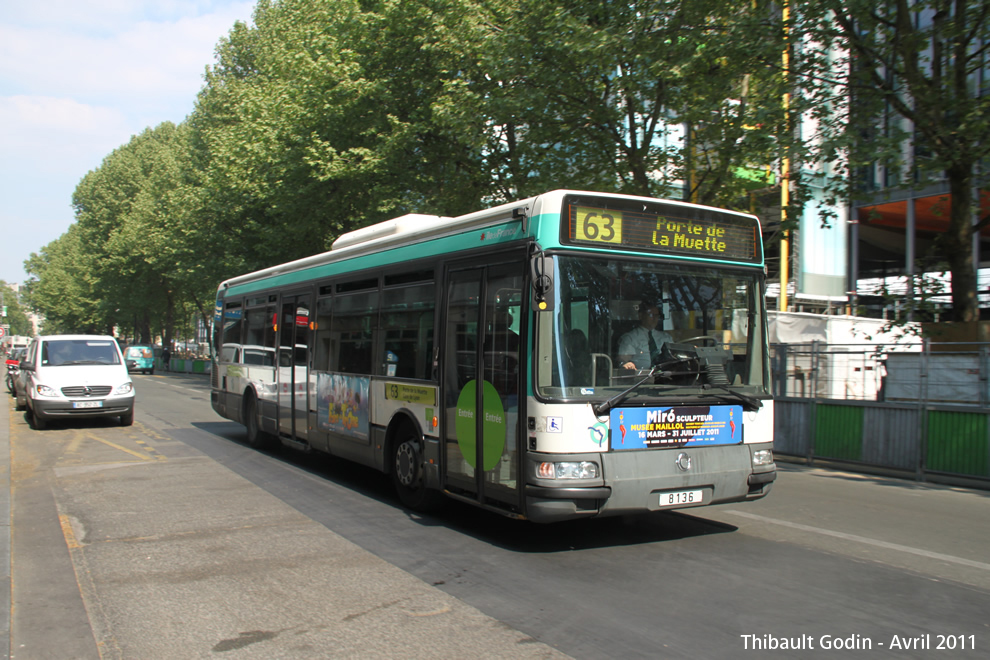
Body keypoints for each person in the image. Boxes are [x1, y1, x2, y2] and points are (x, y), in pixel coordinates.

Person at [618, 298, 673, 373]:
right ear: (641, 316)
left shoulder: (666, 337)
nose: (654, 319)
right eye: (651, 315)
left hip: (666, 378)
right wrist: (626, 364)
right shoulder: (631, 337)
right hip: (640, 379)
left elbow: (674, 358)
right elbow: (623, 361)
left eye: (656, 316)